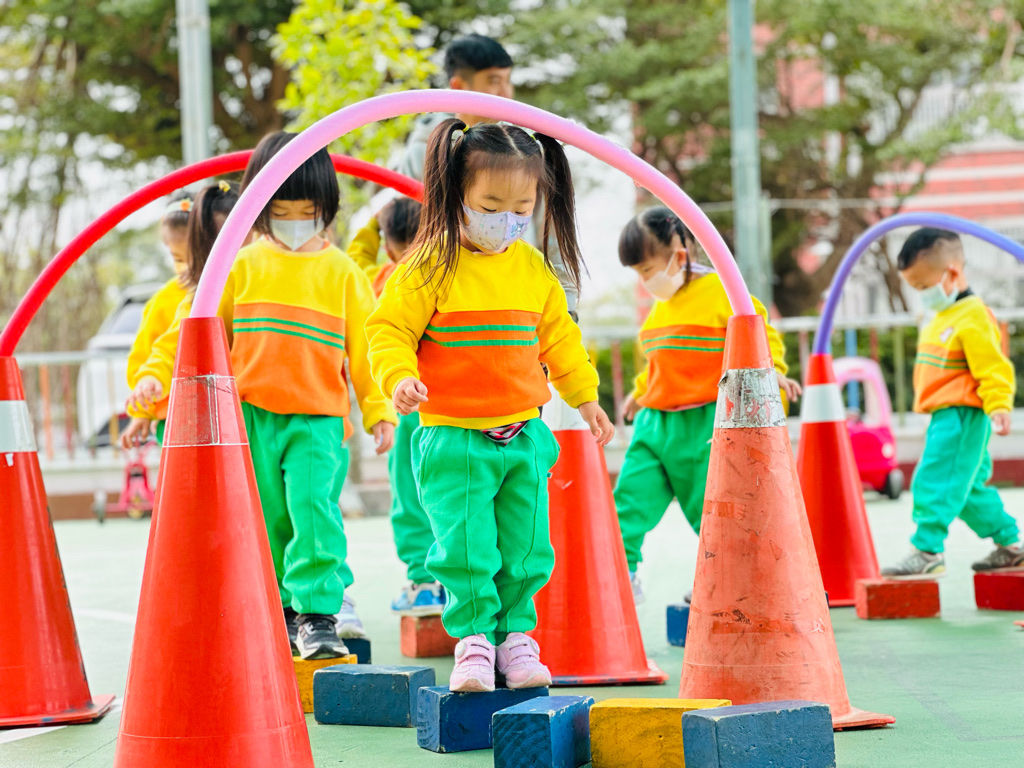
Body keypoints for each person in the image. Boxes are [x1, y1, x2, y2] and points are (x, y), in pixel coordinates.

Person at [366, 119, 614, 693]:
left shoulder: (530, 267)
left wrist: (586, 399)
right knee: (465, 547)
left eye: (522, 207)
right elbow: (388, 331)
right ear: (456, 195)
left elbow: (560, 339)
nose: (507, 219)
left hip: (523, 436)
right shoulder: (429, 266)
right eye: (490, 205)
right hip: (455, 437)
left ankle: (515, 637)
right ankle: (474, 640)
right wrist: (399, 377)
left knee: (528, 547)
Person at [128, 132, 397, 659]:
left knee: (312, 511)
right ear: (259, 207)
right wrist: (155, 376)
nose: (295, 222)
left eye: (307, 212)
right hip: (251, 418)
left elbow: (368, 348)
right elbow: (189, 328)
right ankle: (283, 611)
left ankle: (319, 614)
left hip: (317, 420)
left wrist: (379, 409)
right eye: (281, 211)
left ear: (327, 209)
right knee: (268, 520)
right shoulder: (239, 265)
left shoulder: (341, 272)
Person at [614, 207, 800, 604]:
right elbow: (663, 360)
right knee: (628, 500)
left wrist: (774, 371)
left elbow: (760, 332)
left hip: (706, 424)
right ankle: (621, 575)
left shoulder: (722, 291)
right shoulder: (662, 306)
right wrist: (639, 390)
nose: (645, 282)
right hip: (655, 425)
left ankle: (732, 579)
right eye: (638, 273)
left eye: (647, 270)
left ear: (679, 257)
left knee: (715, 512)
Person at [881, 228, 1023, 578]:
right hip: (946, 416)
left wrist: (999, 404)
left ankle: (927, 549)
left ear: (952, 273)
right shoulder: (944, 315)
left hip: (961, 416)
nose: (921, 295)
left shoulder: (973, 314)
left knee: (935, 479)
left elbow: (993, 365)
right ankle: (1011, 545)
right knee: (968, 488)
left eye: (923, 286)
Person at [346, 197, 444, 615]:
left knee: (410, 494)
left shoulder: (381, 277)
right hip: (451, 406)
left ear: (387, 245)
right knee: (455, 494)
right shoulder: (446, 273)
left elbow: (356, 257)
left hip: (407, 409)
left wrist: (374, 220)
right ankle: (460, 579)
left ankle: (424, 582)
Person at [121, 190, 194, 448]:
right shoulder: (162, 301)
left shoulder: (228, 290)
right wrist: (143, 411)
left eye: (195, 257)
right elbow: (145, 358)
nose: (187, 266)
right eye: (178, 259)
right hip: (176, 418)